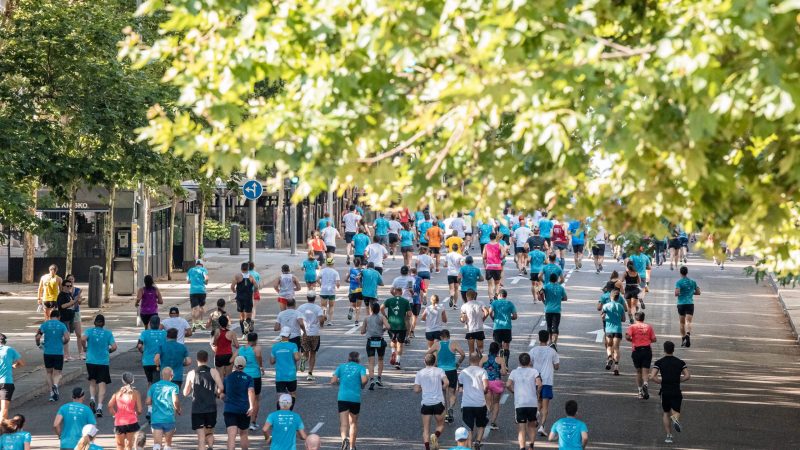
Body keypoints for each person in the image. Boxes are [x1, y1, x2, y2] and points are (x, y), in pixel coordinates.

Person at [651, 341, 690, 444]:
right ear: (673, 349)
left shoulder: (659, 362)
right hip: (676, 390)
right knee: (676, 411)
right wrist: (678, 380)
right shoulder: (680, 362)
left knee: (665, 412)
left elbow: (653, 376)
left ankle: (668, 436)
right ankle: (675, 419)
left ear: (664, 350)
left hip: (665, 391)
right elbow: (687, 376)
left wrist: (661, 381)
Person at [183, 350, 223, 450]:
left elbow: (185, 393)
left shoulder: (191, 373)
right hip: (211, 408)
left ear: (197, 360)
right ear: (207, 359)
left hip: (197, 409)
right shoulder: (213, 371)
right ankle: (210, 446)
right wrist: (217, 392)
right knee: (209, 432)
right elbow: (221, 387)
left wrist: (191, 387)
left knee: (201, 437)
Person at [426, 329, 464, 424]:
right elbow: (463, 354)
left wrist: (434, 363)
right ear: (449, 336)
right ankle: (451, 408)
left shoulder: (437, 344)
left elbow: (428, 353)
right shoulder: (454, 344)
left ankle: (446, 414)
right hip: (452, 370)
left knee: (443, 393)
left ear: (441, 337)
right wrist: (458, 363)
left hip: (440, 371)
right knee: (452, 393)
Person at [331, 352, 368, 450]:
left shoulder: (341, 367)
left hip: (343, 397)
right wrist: (362, 385)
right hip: (355, 398)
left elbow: (333, 381)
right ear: (358, 359)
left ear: (348, 358)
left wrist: (341, 382)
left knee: (343, 423)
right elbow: (364, 380)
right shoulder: (361, 368)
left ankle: (344, 439)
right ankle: (352, 446)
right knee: (353, 423)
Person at [82, 314, 117, 417]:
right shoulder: (108, 333)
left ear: (95, 323)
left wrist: (85, 348)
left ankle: (92, 398)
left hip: (90, 361)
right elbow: (114, 347)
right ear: (103, 323)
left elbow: (83, 339)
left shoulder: (89, 331)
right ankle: (99, 407)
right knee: (102, 384)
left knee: (92, 381)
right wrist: (109, 351)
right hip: (103, 362)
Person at [507, 353, 542, 450]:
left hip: (520, 404)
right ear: (529, 361)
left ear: (519, 362)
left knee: (521, 428)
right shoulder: (534, 371)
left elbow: (508, 384)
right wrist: (537, 393)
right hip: (532, 403)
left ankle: (522, 448)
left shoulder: (514, 372)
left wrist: (513, 391)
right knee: (532, 426)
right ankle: (531, 446)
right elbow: (539, 384)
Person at [414, 353, 448, 450]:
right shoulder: (439, 371)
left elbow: (416, 390)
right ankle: (435, 436)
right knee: (441, 425)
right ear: (435, 362)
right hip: (438, 403)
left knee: (425, 429)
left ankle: (427, 447)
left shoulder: (420, 373)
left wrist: (422, 388)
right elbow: (447, 382)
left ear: (424, 361)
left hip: (426, 404)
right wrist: (442, 388)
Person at [35, 308, 69, 402]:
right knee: (58, 373)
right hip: (58, 352)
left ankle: (51, 393)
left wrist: (38, 344)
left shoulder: (45, 324)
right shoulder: (62, 325)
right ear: (59, 317)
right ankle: (56, 385)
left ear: (50, 316)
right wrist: (63, 342)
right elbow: (67, 338)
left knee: (49, 373)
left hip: (47, 352)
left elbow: (37, 337)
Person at [530, 330, 559, 437]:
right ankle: (542, 426)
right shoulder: (552, 351)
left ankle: (537, 412)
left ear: (539, 338)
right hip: (547, 380)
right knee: (546, 406)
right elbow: (557, 366)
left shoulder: (533, 350)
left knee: (538, 401)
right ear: (548, 339)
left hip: (536, 380)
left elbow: (529, 364)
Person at [224, 356, 256, 450]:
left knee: (231, 435)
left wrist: (223, 397)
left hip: (230, 409)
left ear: (234, 364)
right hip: (243, 409)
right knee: (244, 434)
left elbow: (220, 392)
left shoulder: (228, 378)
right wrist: (251, 406)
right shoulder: (249, 378)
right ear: (244, 365)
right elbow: (251, 391)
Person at [137, 316, 166, 420]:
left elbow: (139, 346)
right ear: (159, 324)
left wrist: (143, 353)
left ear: (149, 323)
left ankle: (149, 408)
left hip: (147, 362)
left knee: (150, 382)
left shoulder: (144, 333)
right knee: (157, 384)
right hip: (158, 362)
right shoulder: (164, 333)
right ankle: (153, 408)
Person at [458, 352, 488, 449]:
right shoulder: (483, 371)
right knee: (481, 425)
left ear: (469, 360)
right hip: (480, 403)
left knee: (469, 428)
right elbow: (486, 386)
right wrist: (483, 392)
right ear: (479, 360)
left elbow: (460, 389)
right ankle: (478, 442)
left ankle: (469, 447)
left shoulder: (463, 372)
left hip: (467, 404)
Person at [235, 333, 263, 430]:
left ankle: (241, 420)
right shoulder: (256, 348)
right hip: (255, 375)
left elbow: (233, 359)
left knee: (243, 398)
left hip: (243, 375)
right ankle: (253, 422)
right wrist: (261, 366)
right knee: (255, 399)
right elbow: (259, 357)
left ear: (247, 339)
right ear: (256, 339)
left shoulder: (241, 349)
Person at [147, 368, 181, 450]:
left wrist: (155, 403)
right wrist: (178, 409)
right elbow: (175, 401)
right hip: (169, 418)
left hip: (156, 418)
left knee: (157, 444)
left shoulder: (153, 386)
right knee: (168, 444)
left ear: (162, 375)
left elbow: (148, 401)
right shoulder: (174, 387)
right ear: (171, 376)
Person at [626, 311, 657, 399]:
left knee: (638, 371)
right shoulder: (649, 327)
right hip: (647, 350)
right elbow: (654, 339)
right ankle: (646, 384)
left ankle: (640, 391)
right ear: (643, 318)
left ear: (636, 318)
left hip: (637, 350)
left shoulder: (632, 327)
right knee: (646, 371)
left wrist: (633, 340)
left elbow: (627, 337)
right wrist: (647, 340)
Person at [108, 372, 142, 450]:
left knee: (120, 446)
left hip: (119, 422)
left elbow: (110, 406)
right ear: (133, 381)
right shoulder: (136, 393)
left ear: (123, 381)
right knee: (129, 446)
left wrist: (115, 414)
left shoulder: (117, 393)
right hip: (132, 421)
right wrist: (136, 413)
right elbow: (139, 410)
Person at [297, 290, 326, 381]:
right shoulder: (318, 308)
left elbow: (298, 319)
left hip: (304, 333)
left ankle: (303, 359)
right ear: (315, 298)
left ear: (307, 297)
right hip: (314, 333)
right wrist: (321, 324)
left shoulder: (301, 307)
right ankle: (310, 373)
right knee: (313, 353)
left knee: (305, 351)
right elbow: (321, 319)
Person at [382, 287, 412, 370]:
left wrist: (385, 316)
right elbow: (409, 314)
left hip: (391, 325)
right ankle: (397, 362)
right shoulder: (405, 301)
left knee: (392, 340)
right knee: (400, 344)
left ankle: (393, 352)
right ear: (401, 292)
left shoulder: (389, 300)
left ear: (394, 293)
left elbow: (381, 308)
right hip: (401, 326)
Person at [361, 302, 389, 390]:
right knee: (380, 359)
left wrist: (368, 329)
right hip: (380, 341)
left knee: (371, 362)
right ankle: (379, 378)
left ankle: (372, 378)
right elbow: (388, 326)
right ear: (378, 310)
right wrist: (382, 329)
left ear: (371, 309)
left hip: (370, 341)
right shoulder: (382, 317)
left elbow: (362, 331)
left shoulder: (366, 318)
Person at [271, 327, 300, 409]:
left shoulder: (275, 346)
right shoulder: (293, 345)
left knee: (280, 397)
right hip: (291, 375)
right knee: (292, 394)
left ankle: (279, 413)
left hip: (280, 375)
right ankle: (289, 411)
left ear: (281, 335)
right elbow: (297, 357)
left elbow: (272, 361)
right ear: (289, 335)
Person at [481, 342, 508, 431]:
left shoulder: (484, 358)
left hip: (486, 382)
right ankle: (493, 422)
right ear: (498, 350)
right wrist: (498, 371)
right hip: (497, 382)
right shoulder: (500, 359)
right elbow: (504, 372)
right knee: (496, 402)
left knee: (488, 402)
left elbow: (478, 370)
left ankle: (487, 413)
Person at [599, 289, 625, 376]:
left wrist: (606, 318)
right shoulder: (620, 306)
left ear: (611, 297)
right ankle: (616, 367)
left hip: (609, 329)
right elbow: (623, 319)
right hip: (618, 329)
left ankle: (610, 357)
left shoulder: (606, 306)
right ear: (618, 298)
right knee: (616, 348)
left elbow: (602, 317)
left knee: (609, 346)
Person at [675, 266, 700, 348]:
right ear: (687, 272)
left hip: (681, 304)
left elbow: (676, 293)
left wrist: (680, 293)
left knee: (682, 323)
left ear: (680, 273)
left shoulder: (679, 282)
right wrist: (690, 293)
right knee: (688, 322)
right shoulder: (693, 282)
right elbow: (698, 292)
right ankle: (688, 334)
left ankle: (683, 339)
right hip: (690, 304)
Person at [489, 289, 517, 362]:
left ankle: (500, 363)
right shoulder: (510, 303)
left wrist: (493, 318)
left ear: (500, 295)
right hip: (507, 327)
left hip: (497, 327)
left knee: (499, 346)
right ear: (505, 296)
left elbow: (490, 312)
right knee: (506, 345)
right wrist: (509, 317)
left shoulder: (494, 303)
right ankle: (505, 363)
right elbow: (515, 316)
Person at [541, 273, 567, 350]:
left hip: (548, 310)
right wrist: (559, 299)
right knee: (555, 327)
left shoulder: (546, 286)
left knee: (549, 326)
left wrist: (544, 301)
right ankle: (554, 343)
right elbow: (565, 298)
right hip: (557, 310)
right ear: (556, 279)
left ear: (549, 279)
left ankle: (550, 342)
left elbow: (540, 293)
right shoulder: (560, 288)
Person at [0, 333, 23, 419]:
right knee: (4, 408)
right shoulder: (9, 349)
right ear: (4, 341)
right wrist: (14, 365)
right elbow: (21, 363)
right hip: (6, 382)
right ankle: (2, 429)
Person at [460, 290, 489, 356]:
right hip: (479, 329)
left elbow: (463, 320)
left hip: (470, 330)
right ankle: (480, 362)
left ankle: (471, 364)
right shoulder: (481, 303)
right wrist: (482, 319)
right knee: (480, 349)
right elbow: (487, 312)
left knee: (471, 350)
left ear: (466, 296)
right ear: (475, 296)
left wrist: (462, 320)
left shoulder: (464, 306)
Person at [64, 274, 86, 360]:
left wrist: (80, 300)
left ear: (74, 280)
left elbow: (79, 301)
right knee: (67, 335)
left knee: (79, 333)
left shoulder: (77, 290)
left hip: (76, 313)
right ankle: (66, 354)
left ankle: (81, 353)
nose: (71, 281)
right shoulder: (64, 291)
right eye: (69, 280)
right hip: (67, 313)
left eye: (72, 279)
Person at [55, 278, 77, 361]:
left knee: (68, 337)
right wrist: (71, 303)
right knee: (66, 337)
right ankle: (64, 355)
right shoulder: (61, 295)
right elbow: (62, 306)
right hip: (64, 318)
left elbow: (72, 304)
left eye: (70, 286)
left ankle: (67, 355)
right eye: (67, 286)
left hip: (70, 317)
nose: (69, 287)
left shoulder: (69, 294)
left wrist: (76, 301)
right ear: (63, 286)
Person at [233, 262, 258, 332]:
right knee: (249, 314)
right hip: (248, 298)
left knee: (241, 315)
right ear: (248, 269)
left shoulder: (237, 276)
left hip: (240, 298)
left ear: (241, 268)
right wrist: (254, 291)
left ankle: (244, 331)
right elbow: (256, 286)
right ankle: (248, 324)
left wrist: (235, 291)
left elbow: (232, 286)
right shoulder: (251, 277)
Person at [187, 259, 209, 331]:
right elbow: (206, 278)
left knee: (194, 308)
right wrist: (205, 282)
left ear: (195, 264)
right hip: (201, 291)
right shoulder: (203, 270)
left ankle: (193, 323)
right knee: (201, 307)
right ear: (202, 264)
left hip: (193, 291)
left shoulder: (190, 270)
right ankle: (200, 322)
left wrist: (193, 281)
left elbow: (188, 281)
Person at [482, 233, 504, 301]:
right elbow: (503, 255)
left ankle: (491, 298)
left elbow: (484, 256)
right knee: (497, 283)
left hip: (489, 267)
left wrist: (485, 263)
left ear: (489, 237)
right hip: (497, 266)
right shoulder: (499, 245)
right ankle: (496, 294)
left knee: (490, 285)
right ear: (495, 237)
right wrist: (500, 258)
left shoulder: (486, 245)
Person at [444, 244, 463, 308]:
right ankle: (455, 304)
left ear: (451, 248)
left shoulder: (448, 255)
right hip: (457, 274)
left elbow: (445, 264)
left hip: (450, 273)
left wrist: (446, 265)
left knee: (451, 289)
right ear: (457, 248)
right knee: (456, 289)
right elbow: (462, 264)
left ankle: (451, 295)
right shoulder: (460, 256)